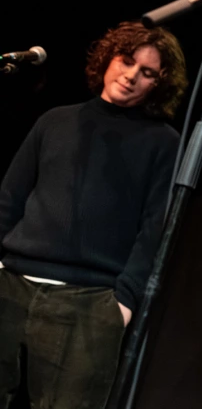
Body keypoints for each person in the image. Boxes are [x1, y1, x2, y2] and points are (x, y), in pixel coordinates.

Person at [0, 20, 188, 409]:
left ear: (159, 84)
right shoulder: (56, 120)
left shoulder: (163, 143)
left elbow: (156, 230)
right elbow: (9, 198)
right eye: (127, 60)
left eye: (148, 72)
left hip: (88, 302)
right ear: (108, 58)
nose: (132, 75)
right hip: (10, 286)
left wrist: (123, 304)